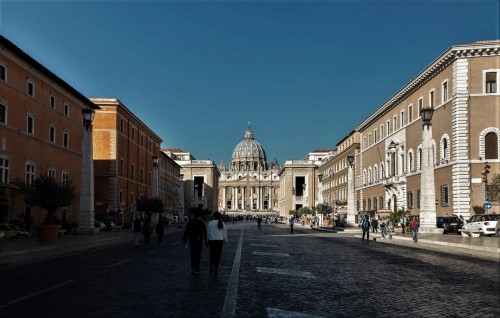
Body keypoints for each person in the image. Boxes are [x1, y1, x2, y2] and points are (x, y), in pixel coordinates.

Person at [183, 210, 207, 275]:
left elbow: (186, 232)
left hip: (192, 240)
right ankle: (197, 269)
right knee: (198, 255)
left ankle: (193, 268)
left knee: (193, 255)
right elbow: (205, 232)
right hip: (199, 240)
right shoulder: (201, 222)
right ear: (199, 216)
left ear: (193, 215)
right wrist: (206, 242)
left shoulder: (190, 222)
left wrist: (184, 241)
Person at [207, 212, 228, 276]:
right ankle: (216, 267)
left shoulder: (210, 223)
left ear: (213, 216)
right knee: (218, 255)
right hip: (219, 241)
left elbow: (208, 232)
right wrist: (226, 240)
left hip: (212, 240)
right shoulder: (222, 223)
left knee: (212, 254)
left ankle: (211, 266)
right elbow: (224, 233)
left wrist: (207, 240)